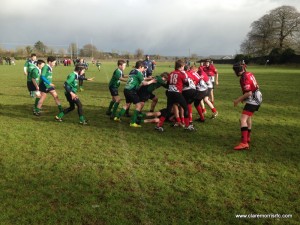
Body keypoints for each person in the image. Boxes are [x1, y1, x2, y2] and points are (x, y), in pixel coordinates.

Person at [114, 61, 156, 127]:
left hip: (126, 89)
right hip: (131, 90)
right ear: (140, 67)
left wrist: (149, 78)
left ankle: (117, 117)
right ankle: (133, 122)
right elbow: (144, 83)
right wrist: (152, 81)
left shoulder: (132, 71)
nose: (143, 69)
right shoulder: (139, 73)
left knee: (127, 104)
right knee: (139, 106)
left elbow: (139, 78)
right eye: (143, 68)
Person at [155, 59, 194, 132]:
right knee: (185, 107)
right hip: (177, 93)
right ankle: (187, 126)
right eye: (183, 66)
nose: (183, 68)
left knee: (168, 110)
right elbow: (187, 83)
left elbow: (168, 83)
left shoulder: (171, 73)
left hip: (170, 93)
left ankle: (159, 125)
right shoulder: (181, 74)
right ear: (181, 66)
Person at [232, 62, 262, 150]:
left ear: (238, 70)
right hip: (257, 96)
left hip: (253, 99)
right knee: (248, 117)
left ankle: (244, 143)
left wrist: (238, 100)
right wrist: (245, 98)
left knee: (242, 119)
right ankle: (247, 138)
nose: (234, 73)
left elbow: (248, 93)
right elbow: (256, 86)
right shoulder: (249, 73)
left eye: (234, 71)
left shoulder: (243, 77)